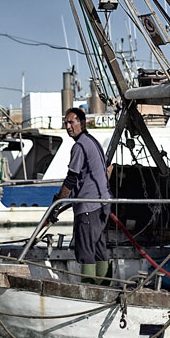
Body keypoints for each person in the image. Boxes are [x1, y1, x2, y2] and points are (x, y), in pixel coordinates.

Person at [53, 107, 112, 284]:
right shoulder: (92, 141)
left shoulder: (79, 146)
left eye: (72, 122)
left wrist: (57, 201)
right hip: (103, 203)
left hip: (88, 206)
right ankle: (105, 289)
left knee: (86, 251)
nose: (68, 126)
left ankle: (89, 292)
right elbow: (108, 168)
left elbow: (71, 179)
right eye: (66, 123)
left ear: (82, 123)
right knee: (99, 248)